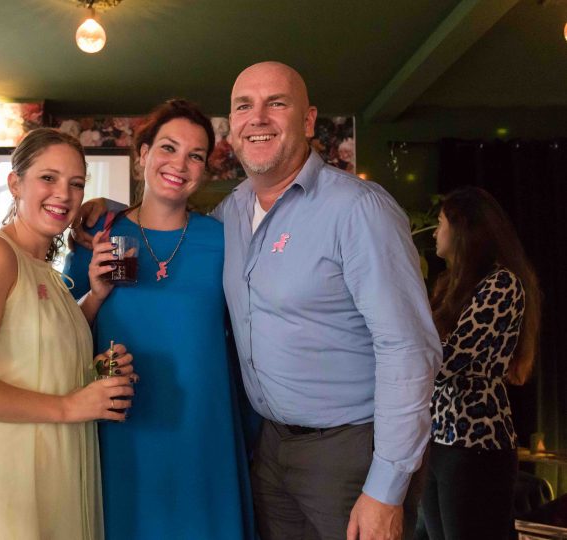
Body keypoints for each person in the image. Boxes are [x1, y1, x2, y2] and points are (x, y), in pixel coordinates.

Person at [73, 62, 441, 540]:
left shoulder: (356, 208)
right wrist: (108, 211)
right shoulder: (232, 213)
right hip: (265, 449)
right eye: (245, 106)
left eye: (277, 103)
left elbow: (408, 348)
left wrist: (387, 488)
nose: (258, 117)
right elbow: (157, 223)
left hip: (345, 450)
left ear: (308, 121)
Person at [0, 128, 136, 540]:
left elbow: (36, 344)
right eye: (48, 178)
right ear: (15, 183)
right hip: (0, 476)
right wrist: (72, 406)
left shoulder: (44, 269)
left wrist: (95, 300)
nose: (64, 194)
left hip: (46, 466)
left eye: (76, 184)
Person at [64, 99, 255, 539]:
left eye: (195, 155)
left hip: (203, 426)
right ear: (143, 154)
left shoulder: (224, 240)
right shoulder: (98, 236)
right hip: (121, 426)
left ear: (204, 169)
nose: (180, 164)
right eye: (168, 148)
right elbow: (63, 335)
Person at [421, 186, 541, 540]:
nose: (434, 232)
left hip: (474, 441)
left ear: (463, 230)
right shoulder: (449, 285)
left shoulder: (501, 284)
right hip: (437, 439)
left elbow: (449, 360)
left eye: (440, 223)